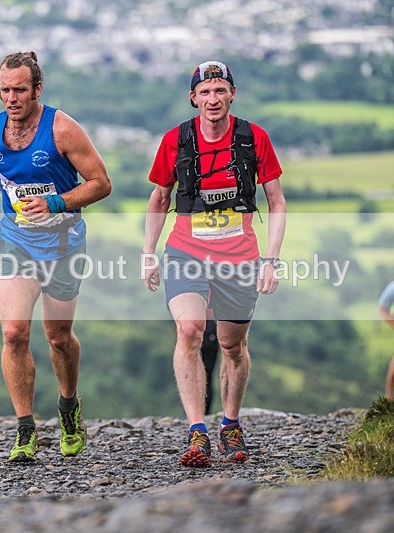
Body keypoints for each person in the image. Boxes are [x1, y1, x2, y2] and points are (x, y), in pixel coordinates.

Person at [142, 60, 286, 467]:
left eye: (220, 90)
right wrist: (149, 255)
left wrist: (270, 261)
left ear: (232, 94)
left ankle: (231, 424)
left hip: (239, 256)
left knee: (231, 345)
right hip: (186, 251)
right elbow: (159, 199)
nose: (213, 98)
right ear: (193, 99)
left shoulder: (255, 138)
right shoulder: (175, 140)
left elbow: (276, 202)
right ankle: (196, 432)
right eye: (204, 92)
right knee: (189, 331)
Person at [0, 52, 111, 462]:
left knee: (57, 337)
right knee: (14, 333)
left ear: (38, 88)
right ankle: (24, 430)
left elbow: (101, 184)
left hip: (63, 242)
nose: (11, 98)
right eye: (5, 90)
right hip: (16, 241)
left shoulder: (62, 129)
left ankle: (68, 406)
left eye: (20, 89)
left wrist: (54, 201)